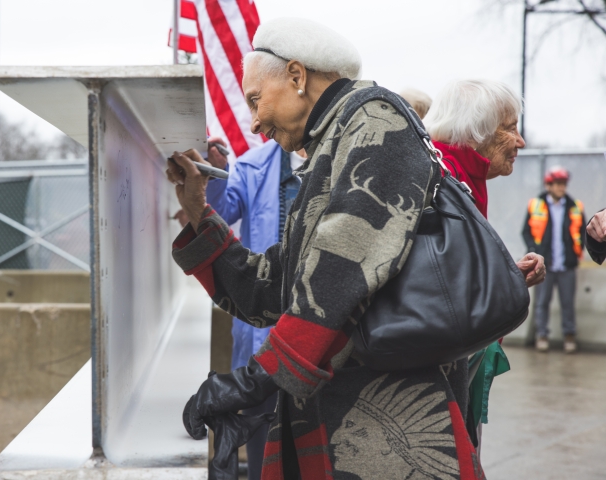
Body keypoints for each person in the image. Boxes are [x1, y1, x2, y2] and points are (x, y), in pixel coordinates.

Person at [167, 17, 486, 479]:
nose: (254, 122)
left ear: (297, 76)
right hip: (344, 419)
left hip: (391, 436)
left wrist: (252, 382)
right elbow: (278, 289)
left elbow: (338, 279)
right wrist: (199, 211)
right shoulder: (331, 146)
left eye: (256, 100)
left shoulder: (379, 124)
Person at [424, 79, 546, 450]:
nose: (520, 142)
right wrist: (503, 279)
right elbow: (436, 290)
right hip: (434, 371)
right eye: (510, 128)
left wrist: (507, 273)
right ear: (476, 132)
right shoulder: (441, 179)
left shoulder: (464, 176)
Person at [203, 137, 305, 480]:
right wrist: (216, 172)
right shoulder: (252, 165)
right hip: (264, 331)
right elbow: (221, 213)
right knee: (262, 426)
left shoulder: (339, 156)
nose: (255, 122)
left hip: (318, 327)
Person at [522, 166, 586, 353]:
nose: (562, 188)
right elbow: (526, 232)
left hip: (566, 265)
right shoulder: (536, 205)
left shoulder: (575, 206)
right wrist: (534, 251)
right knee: (542, 302)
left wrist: (576, 253)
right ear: (549, 185)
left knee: (568, 303)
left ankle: (569, 337)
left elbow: (582, 232)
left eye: (564, 184)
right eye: (558, 184)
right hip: (545, 265)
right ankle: (542, 336)